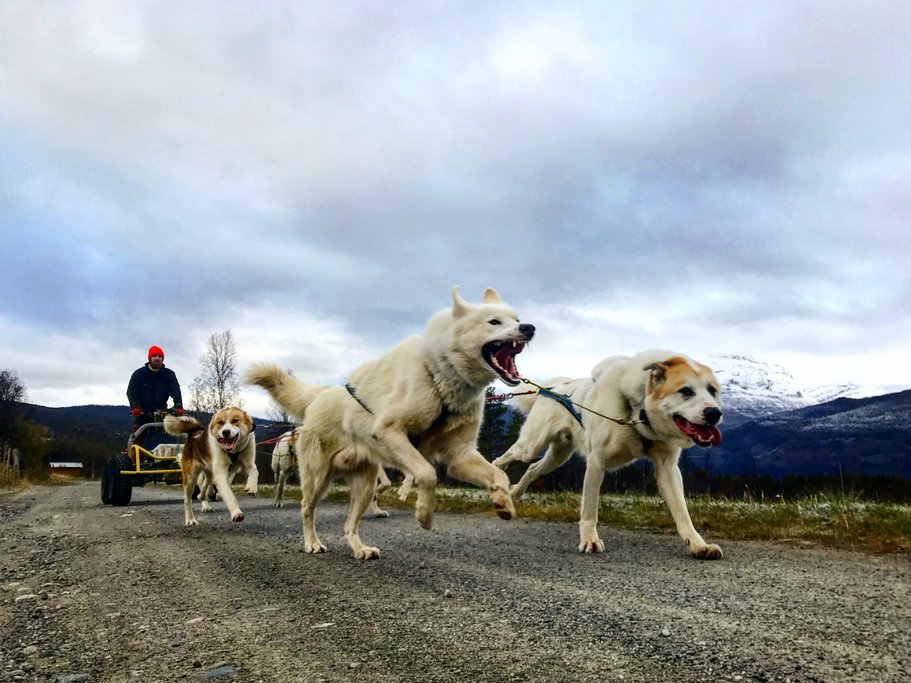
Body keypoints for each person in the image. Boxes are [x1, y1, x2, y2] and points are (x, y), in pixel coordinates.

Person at [127, 345, 184, 449]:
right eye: (154, 356)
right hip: (143, 411)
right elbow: (131, 391)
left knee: (169, 433)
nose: (157, 358)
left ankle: (170, 455)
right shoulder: (139, 374)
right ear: (149, 358)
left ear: (162, 359)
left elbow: (175, 390)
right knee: (139, 435)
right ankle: (136, 456)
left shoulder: (169, 374)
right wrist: (134, 407)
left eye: (159, 356)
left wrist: (178, 406)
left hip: (162, 410)